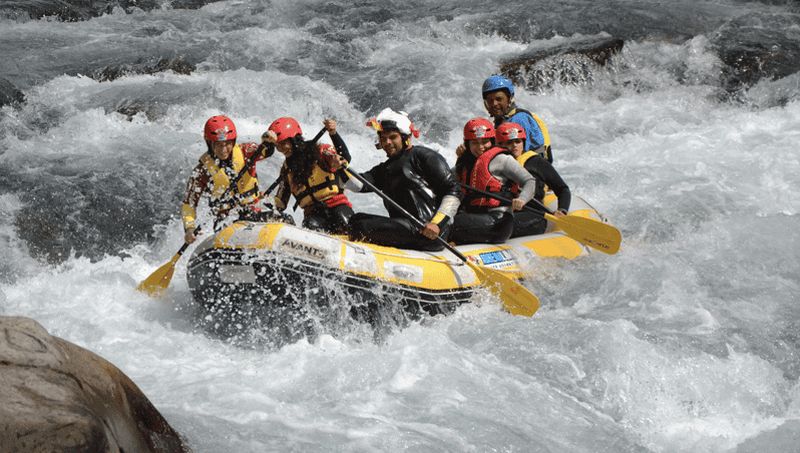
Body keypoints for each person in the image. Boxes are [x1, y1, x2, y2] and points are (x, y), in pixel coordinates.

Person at [345, 108, 461, 251]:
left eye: (393, 137)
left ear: (406, 137)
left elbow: (454, 190)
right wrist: (338, 168)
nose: (387, 142)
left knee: (361, 227)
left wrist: (437, 224)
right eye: (383, 138)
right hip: (406, 227)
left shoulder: (425, 156)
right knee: (356, 219)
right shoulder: (385, 168)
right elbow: (358, 185)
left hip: (429, 233)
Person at [181, 115, 276, 244]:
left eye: (227, 144)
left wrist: (268, 140)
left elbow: (266, 151)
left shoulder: (245, 151)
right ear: (209, 143)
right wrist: (189, 228)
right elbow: (189, 204)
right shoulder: (202, 171)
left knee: (284, 219)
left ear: (233, 141)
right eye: (218, 145)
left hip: (254, 211)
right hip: (227, 220)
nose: (223, 150)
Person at [450, 118, 536, 244]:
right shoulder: (464, 163)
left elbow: (529, 181)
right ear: (467, 144)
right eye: (475, 143)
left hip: (498, 222)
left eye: (485, 142)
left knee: (451, 223)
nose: (480, 147)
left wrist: (522, 199)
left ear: (492, 141)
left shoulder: (502, 159)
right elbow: (448, 182)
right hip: (473, 216)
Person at [264, 117, 353, 234]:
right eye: (277, 145)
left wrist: (333, 133)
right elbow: (280, 202)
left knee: (343, 219)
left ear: (295, 139)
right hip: (314, 214)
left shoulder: (320, 151)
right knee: (310, 224)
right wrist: (263, 202)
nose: (280, 149)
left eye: (283, 143)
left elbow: (344, 158)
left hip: (336, 205)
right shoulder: (286, 169)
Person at [495, 122, 571, 237]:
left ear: (523, 142)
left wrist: (562, 210)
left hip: (534, 215)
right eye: (509, 142)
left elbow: (562, 189)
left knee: (501, 224)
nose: (515, 145)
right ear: (500, 145)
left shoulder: (536, 162)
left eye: (518, 141)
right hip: (506, 211)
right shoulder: (496, 162)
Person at [481, 74, 554, 163]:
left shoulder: (519, 119)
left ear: (509, 99)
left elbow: (519, 155)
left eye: (499, 99)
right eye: (490, 100)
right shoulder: (502, 120)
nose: (494, 104)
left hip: (531, 168)